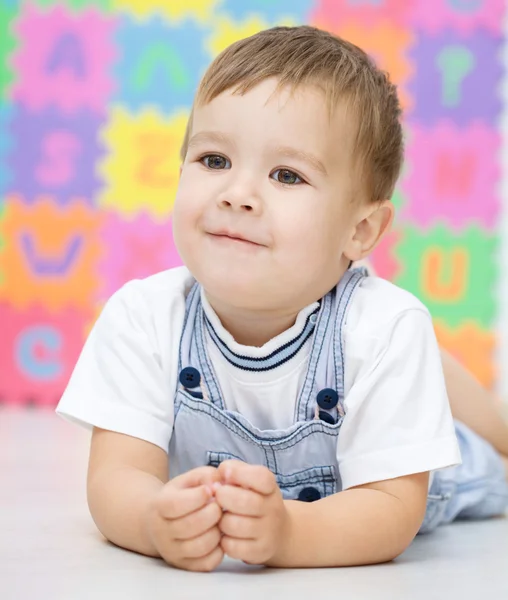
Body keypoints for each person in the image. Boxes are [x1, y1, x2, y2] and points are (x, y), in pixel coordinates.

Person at [56, 25, 508, 572]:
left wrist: (291, 532)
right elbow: (115, 476)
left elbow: (392, 509)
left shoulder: (384, 329)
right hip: (370, 371)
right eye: (215, 160)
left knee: (461, 412)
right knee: (398, 350)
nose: (238, 194)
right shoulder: (144, 316)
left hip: (416, 458)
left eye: (286, 175)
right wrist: (153, 518)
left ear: (361, 231)